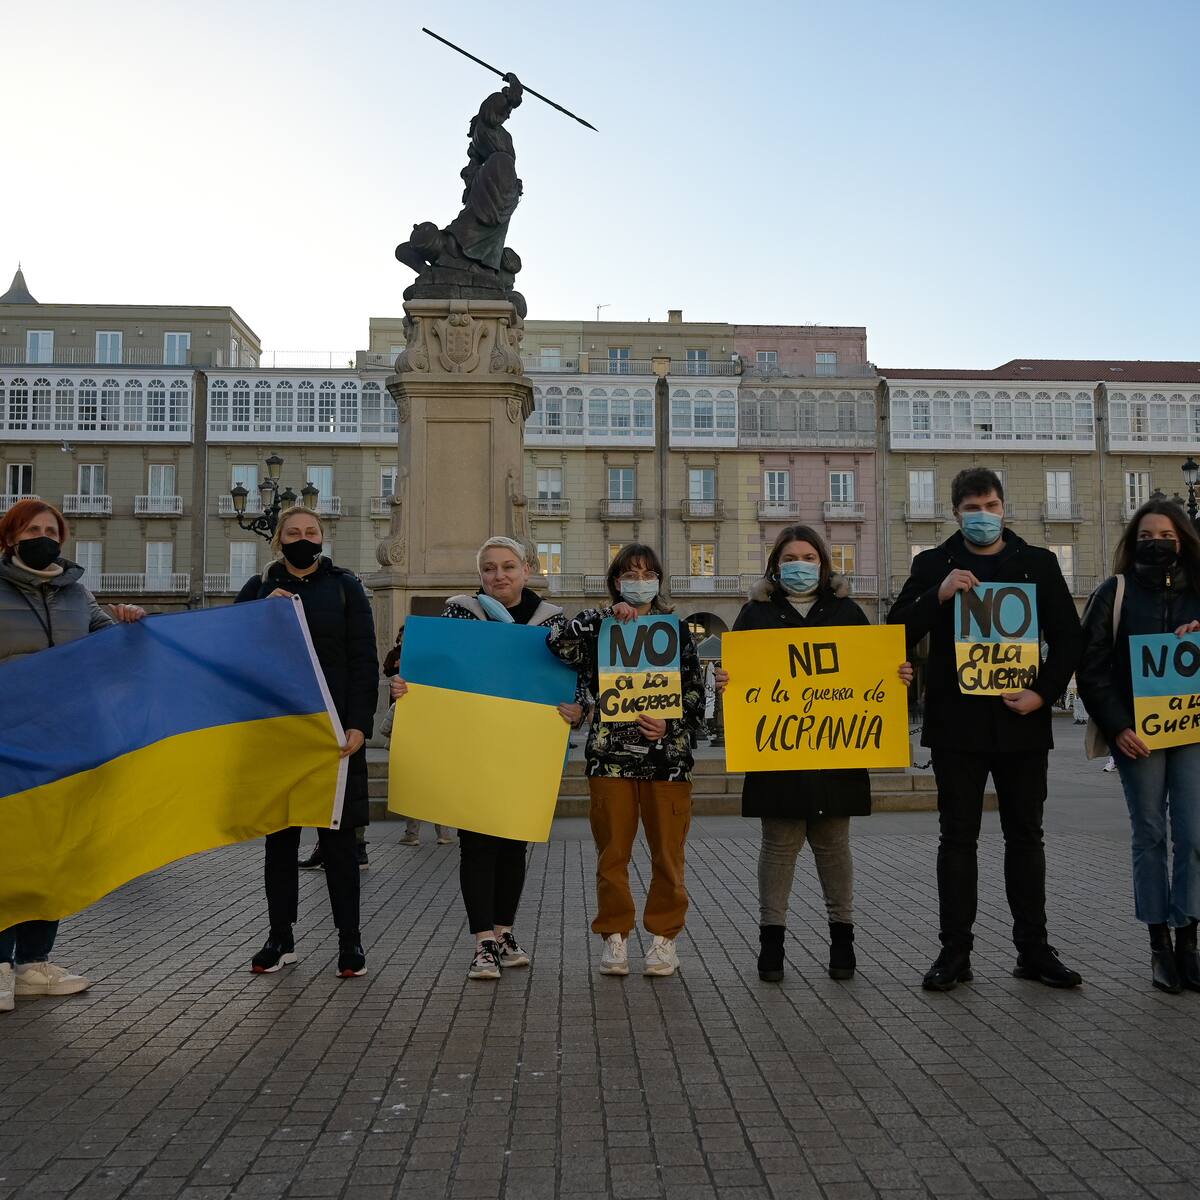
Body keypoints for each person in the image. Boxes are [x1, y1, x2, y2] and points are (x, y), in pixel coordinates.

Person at [889, 467, 1084, 992]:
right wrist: (939, 595)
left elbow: (1068, 637)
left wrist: (1043, 692)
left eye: (991, 505)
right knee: (957, 840)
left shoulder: (1037, 563)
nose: (983, 516)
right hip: (958, 726)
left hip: (1022, 721)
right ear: (956, 512)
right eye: (973, 507)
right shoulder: (933, 563)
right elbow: (894, 631)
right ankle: (955, 952)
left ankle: (1034, 950)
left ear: (1004, 508)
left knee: (1026, 837)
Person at [715, 526, 913, 982]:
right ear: (775, 565)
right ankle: (772, 945)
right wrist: (726, 682)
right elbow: (739, 677)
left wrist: (894, 673)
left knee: (834, 849)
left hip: (837, 753)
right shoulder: (754, 614)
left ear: (823, 564)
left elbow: (872, 673)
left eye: (808, 556)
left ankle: (842, 943)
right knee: (778, 849)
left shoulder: (847, 612)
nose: (799, 565)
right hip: (777, 756)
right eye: (789, 558)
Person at [389, 536, 585, 980]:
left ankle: (504, 932)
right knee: (477, 845)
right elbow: (435, 668)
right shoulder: (461, 613)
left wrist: (579, 709)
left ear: (527, 570)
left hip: (525, 748)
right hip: (472, 745)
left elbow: (578, 680)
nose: (500, 576)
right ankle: (482, 943)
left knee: (515, 844)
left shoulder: (554, 624)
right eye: (490, 568)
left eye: (509, 567)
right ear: (480, 576)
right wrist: (406, 688)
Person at [0, 499, 146, 1013]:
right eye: (32, 529)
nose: (44, 536)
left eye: (51, 530)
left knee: (53, 852)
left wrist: (130, 622)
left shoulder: (77, 594)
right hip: (5, 741)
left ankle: (33, 963)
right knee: (7, 849)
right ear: (11, 538)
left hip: (63, 743)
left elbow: (110, 647)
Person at [547, 544, 705, 978]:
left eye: (648, 572)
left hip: (668, 763)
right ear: (616, 580)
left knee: (668, 856)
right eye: (631, 573)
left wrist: (669, 728)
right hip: (609, 761)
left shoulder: (675, 631)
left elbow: (695, 696)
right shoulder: (600, 629)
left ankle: (664, 939)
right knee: (612, 854)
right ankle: (614, 937)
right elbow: (556, 643)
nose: (640, 581)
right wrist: (602, 615)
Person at [235, 507, 378, 979]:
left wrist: (360, 723)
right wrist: (260, 615)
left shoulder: (346, 587)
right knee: (280, 844)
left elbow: (363, 659)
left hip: (335, 735)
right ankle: (280, 937)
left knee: (339, 844)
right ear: (278, 541)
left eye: (311, 532)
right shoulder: (257, 591)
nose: (303, 538)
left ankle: (350, 940)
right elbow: (232, 653)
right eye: (293, 533)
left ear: (323, 537)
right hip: (279, 733)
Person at [1077, 498, 1200, 993]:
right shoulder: (1116, 592)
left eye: (1167, 535)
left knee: (1193, 835)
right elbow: (1092, 666)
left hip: (1192, 730)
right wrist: (1118, 726)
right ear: (1134, 541)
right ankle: (1158, 946)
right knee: (1150, 833)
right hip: (1137, 734)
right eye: (1148, 535)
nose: (1158, 543)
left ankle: (1189, 937)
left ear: (1183, 541)